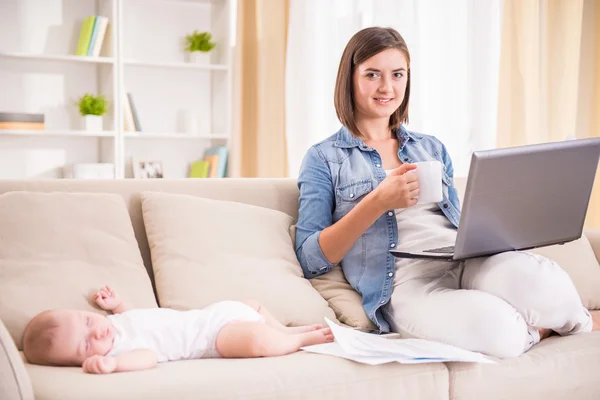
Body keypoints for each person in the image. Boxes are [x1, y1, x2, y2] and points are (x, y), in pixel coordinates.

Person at [294, 26, 600, 359]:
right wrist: (377, 202)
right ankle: (535, 330)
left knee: (540, 282)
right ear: (349, 79)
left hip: (462, 260)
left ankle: (568, 321)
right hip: (406, 284)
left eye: (398, 74)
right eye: (372, 75)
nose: (387, 87)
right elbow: (311, 259)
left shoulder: (430, 147)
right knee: (496, 331)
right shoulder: (324, 158)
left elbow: (460, 219)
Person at [22, 285, 333, 374]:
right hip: (214, 339)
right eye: (85, 346)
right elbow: (147, 355)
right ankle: (298, 341)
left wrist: (117, 304)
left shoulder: (116, 324)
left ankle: (287, 332)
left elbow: (139, 317)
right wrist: (114, 364)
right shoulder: (120, 352)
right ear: (82, 362)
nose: (96, 333)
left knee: (252, 304)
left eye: (88, 321)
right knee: (255, 340)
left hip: (211, 314)